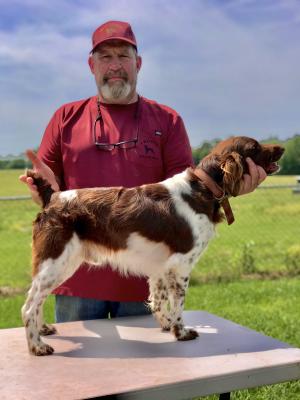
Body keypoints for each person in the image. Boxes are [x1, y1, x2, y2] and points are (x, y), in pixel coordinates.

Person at [20, 20, 266, 323]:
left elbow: (188, 201)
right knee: (75, 370)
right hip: (77, 281)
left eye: (123, 56)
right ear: (91, 65)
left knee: (149, 370)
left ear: (138, 63)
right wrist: (42, 190)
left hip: (144, 284)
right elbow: (50, 200)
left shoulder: (168, 120)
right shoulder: (65, 118)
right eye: (105, 57)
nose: (115, 65)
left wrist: (230, 187)